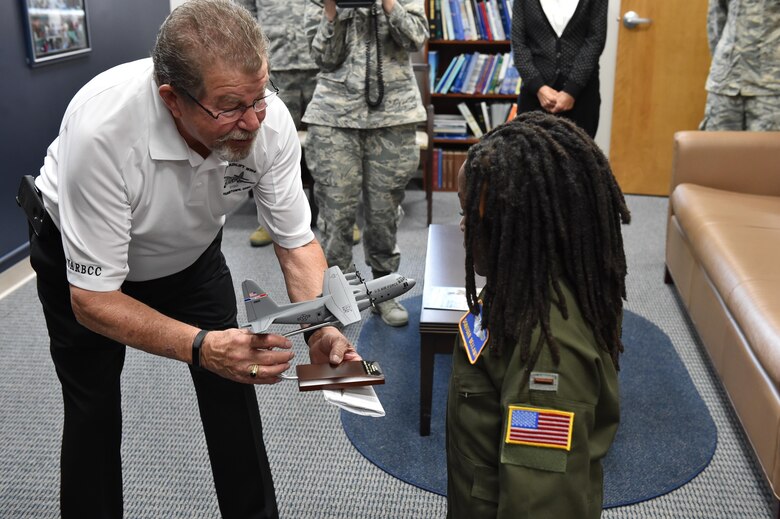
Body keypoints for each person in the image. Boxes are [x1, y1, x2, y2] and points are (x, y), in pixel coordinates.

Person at [26, 2, 357, 518]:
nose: (253, 119)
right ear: (172, 100)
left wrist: (319, 326)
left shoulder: (265, 120)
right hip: (83, 259)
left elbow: (295, 243)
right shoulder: (103, 130)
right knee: (93, 408)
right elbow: (94, 300)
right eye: (230, 106)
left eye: (259, 96)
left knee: (234, 380)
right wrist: (200, 346)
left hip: (190, 254)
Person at [447, 112, 631, 518]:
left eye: (470, 212)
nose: (462, 226)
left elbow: (539, 505)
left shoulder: (547, 354)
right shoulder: (523, 281)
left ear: (515, 221)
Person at [302, 0, 428, 327]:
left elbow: (415, 38)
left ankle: (384, 291)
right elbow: (322, 57)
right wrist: (333, 11)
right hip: (334, 118)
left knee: (384, 212)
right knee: (336, 214)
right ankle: (340, 294)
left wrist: (388, 4)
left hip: (394, 117)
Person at [245, 0, 362, 247]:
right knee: (269, 147)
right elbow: (245, 15)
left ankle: (342, 218)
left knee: (333, 148)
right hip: (275, 66)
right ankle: (269, 220)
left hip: (323, 67)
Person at [511, 0, 608, 138]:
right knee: (530, 149)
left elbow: (596, 40)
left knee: (579, 150)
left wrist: (571, 90)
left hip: (582, 93)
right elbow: (518, 43)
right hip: (534, 94)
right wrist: (539, 88)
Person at [700, 0, 780, 131]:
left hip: (770, 88)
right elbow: (716, 19)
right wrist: (722, 65)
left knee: (767, 144)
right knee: (716, 143)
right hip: (726, 84)